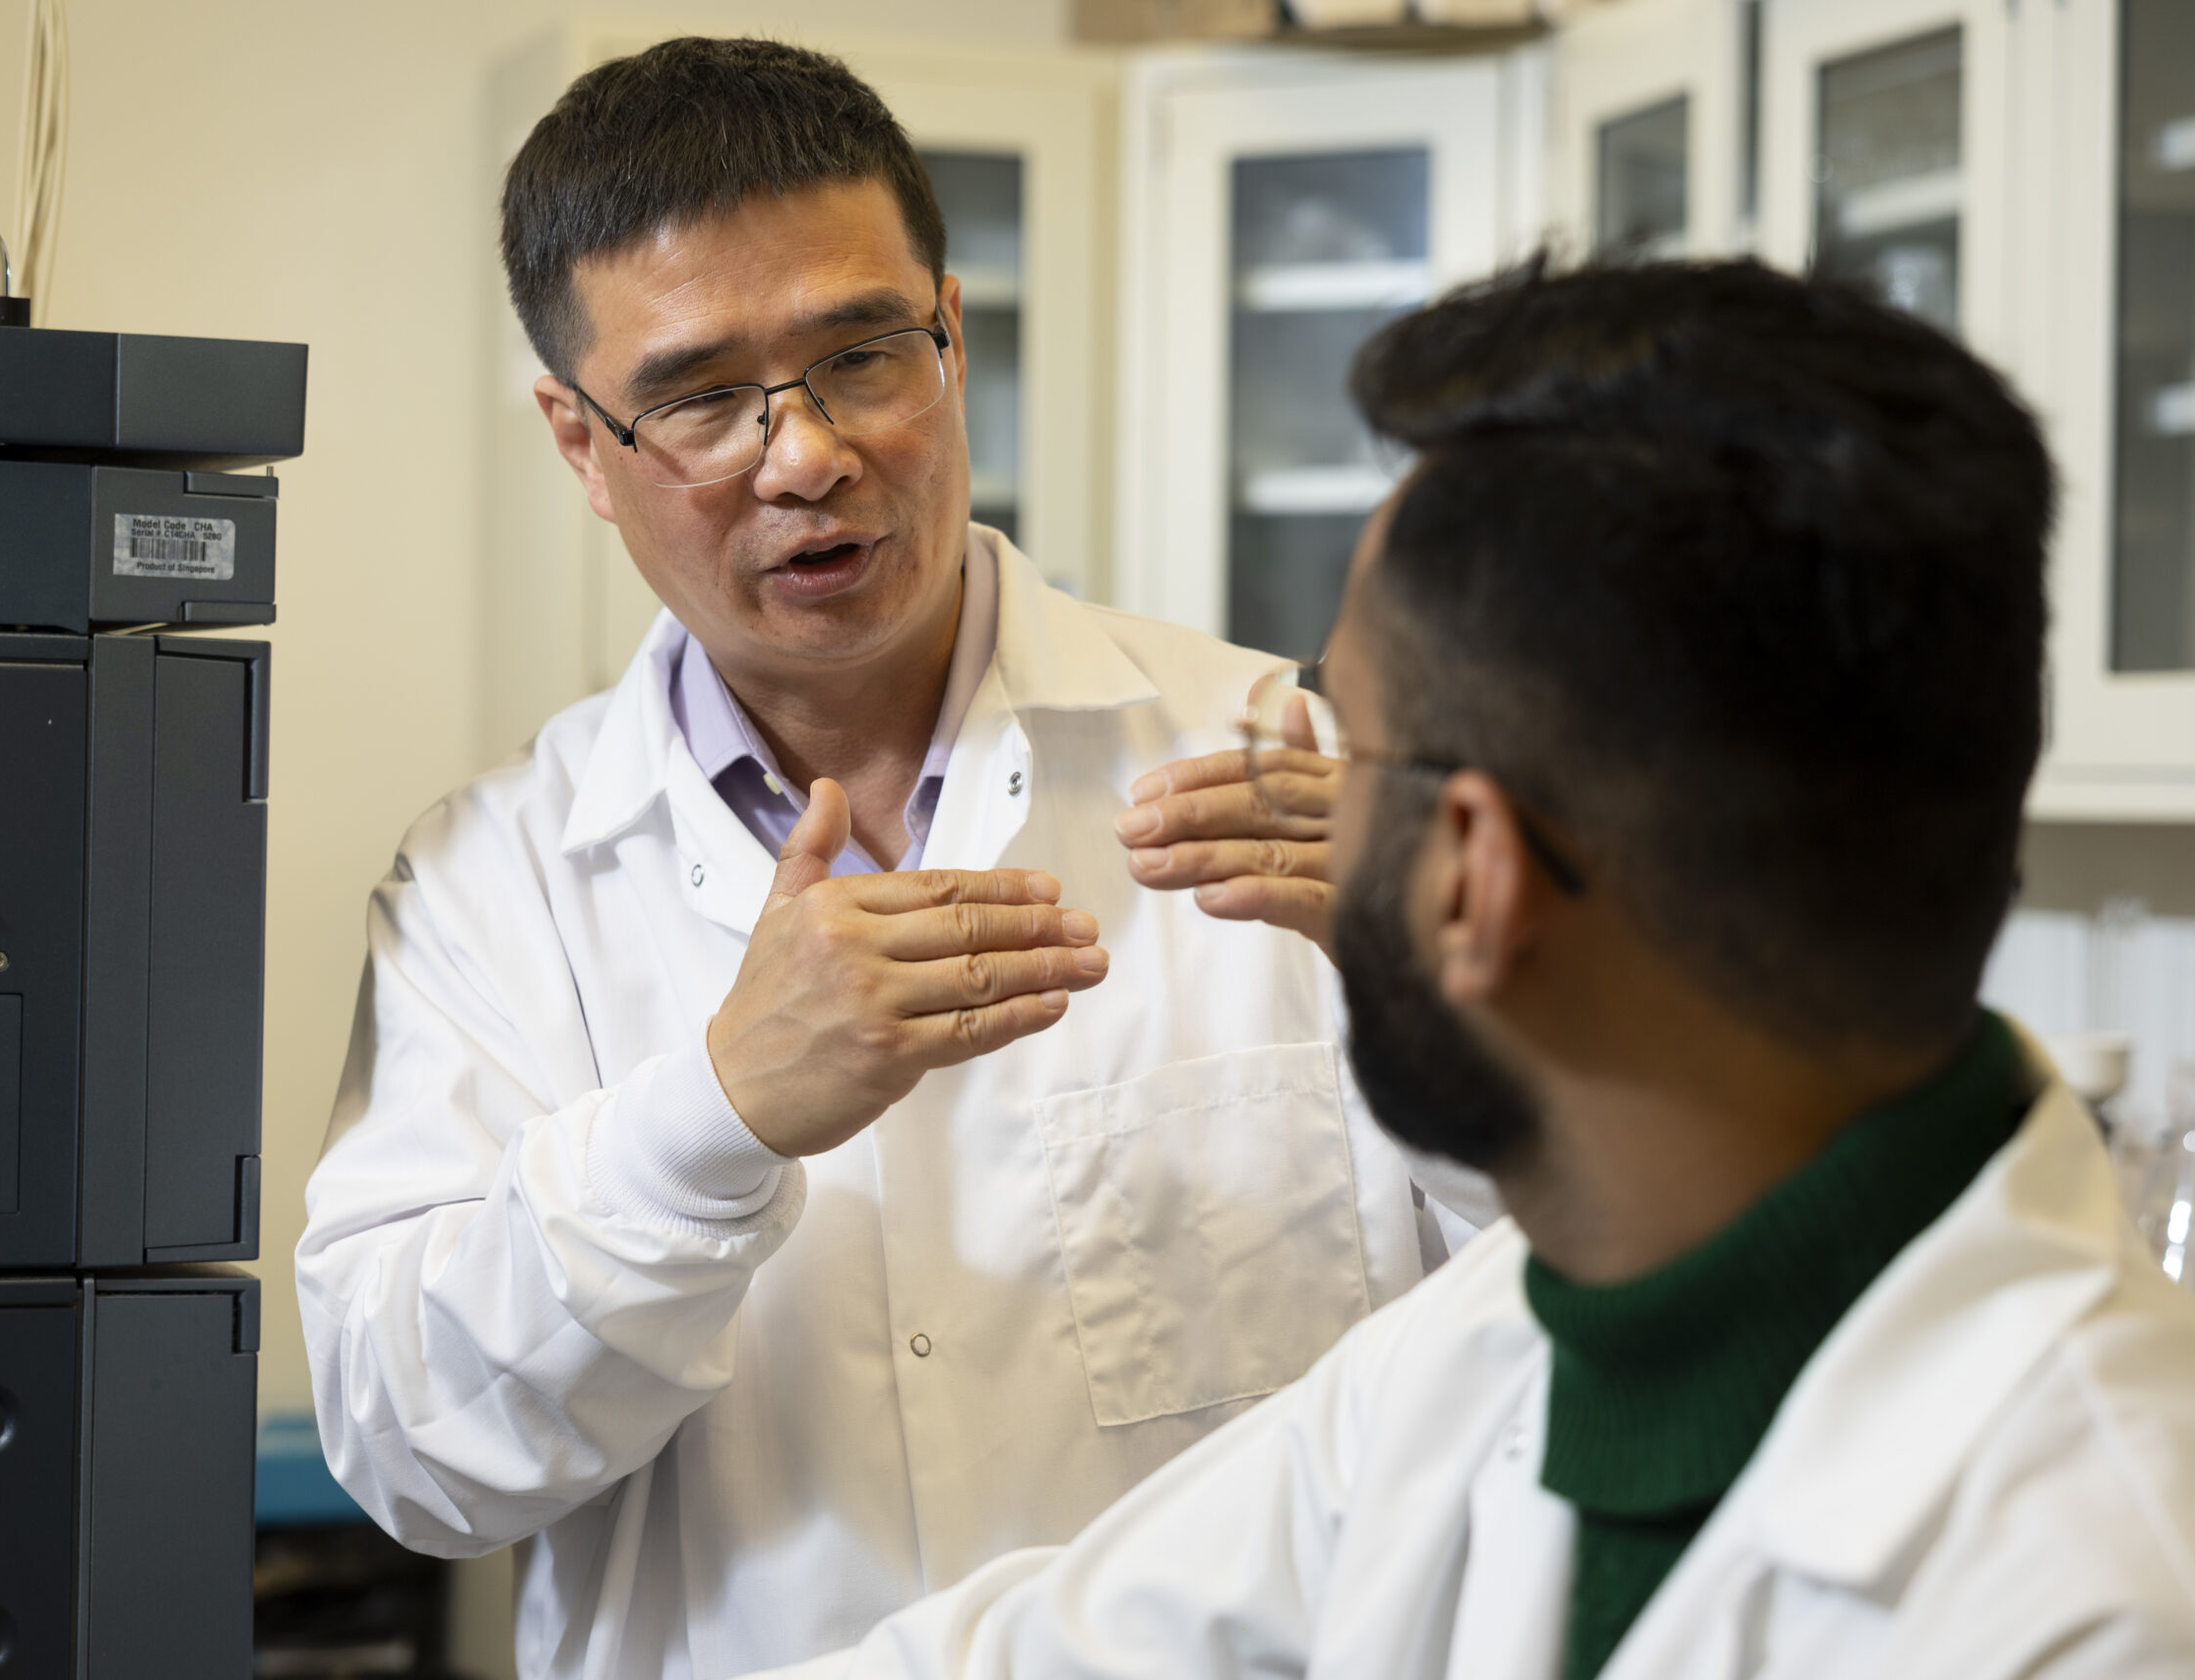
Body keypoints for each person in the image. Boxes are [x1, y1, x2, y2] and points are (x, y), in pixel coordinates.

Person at [751, 260, 2195, 1680]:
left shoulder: (2101, 1601)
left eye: (1342, 744)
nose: (1304, 791)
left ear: (1471, 876)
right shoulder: (1516, 1337)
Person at [296, 37, 1477, 1680]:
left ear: (953, 340)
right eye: (705, 398)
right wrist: (705, 1124)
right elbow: (413, 1459)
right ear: (581, 447)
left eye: (862, 355)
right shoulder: (495, 891)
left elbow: (1572, 1320)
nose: (806, 456)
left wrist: (1478, 1021)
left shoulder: (1292, 763)